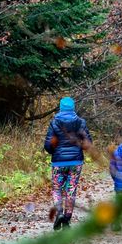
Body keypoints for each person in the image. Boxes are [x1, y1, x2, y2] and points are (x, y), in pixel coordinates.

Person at [43, 96, 91, 230]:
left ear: (61, 108)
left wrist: (54, 150)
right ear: (73, 108)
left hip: (58, 162)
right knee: (71, 190)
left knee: (57, 189)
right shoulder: (81, 122)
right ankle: (67, 219)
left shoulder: (54, 122)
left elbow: (48, 145)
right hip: (76, 162)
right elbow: (88, 144)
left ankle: (59, 214)